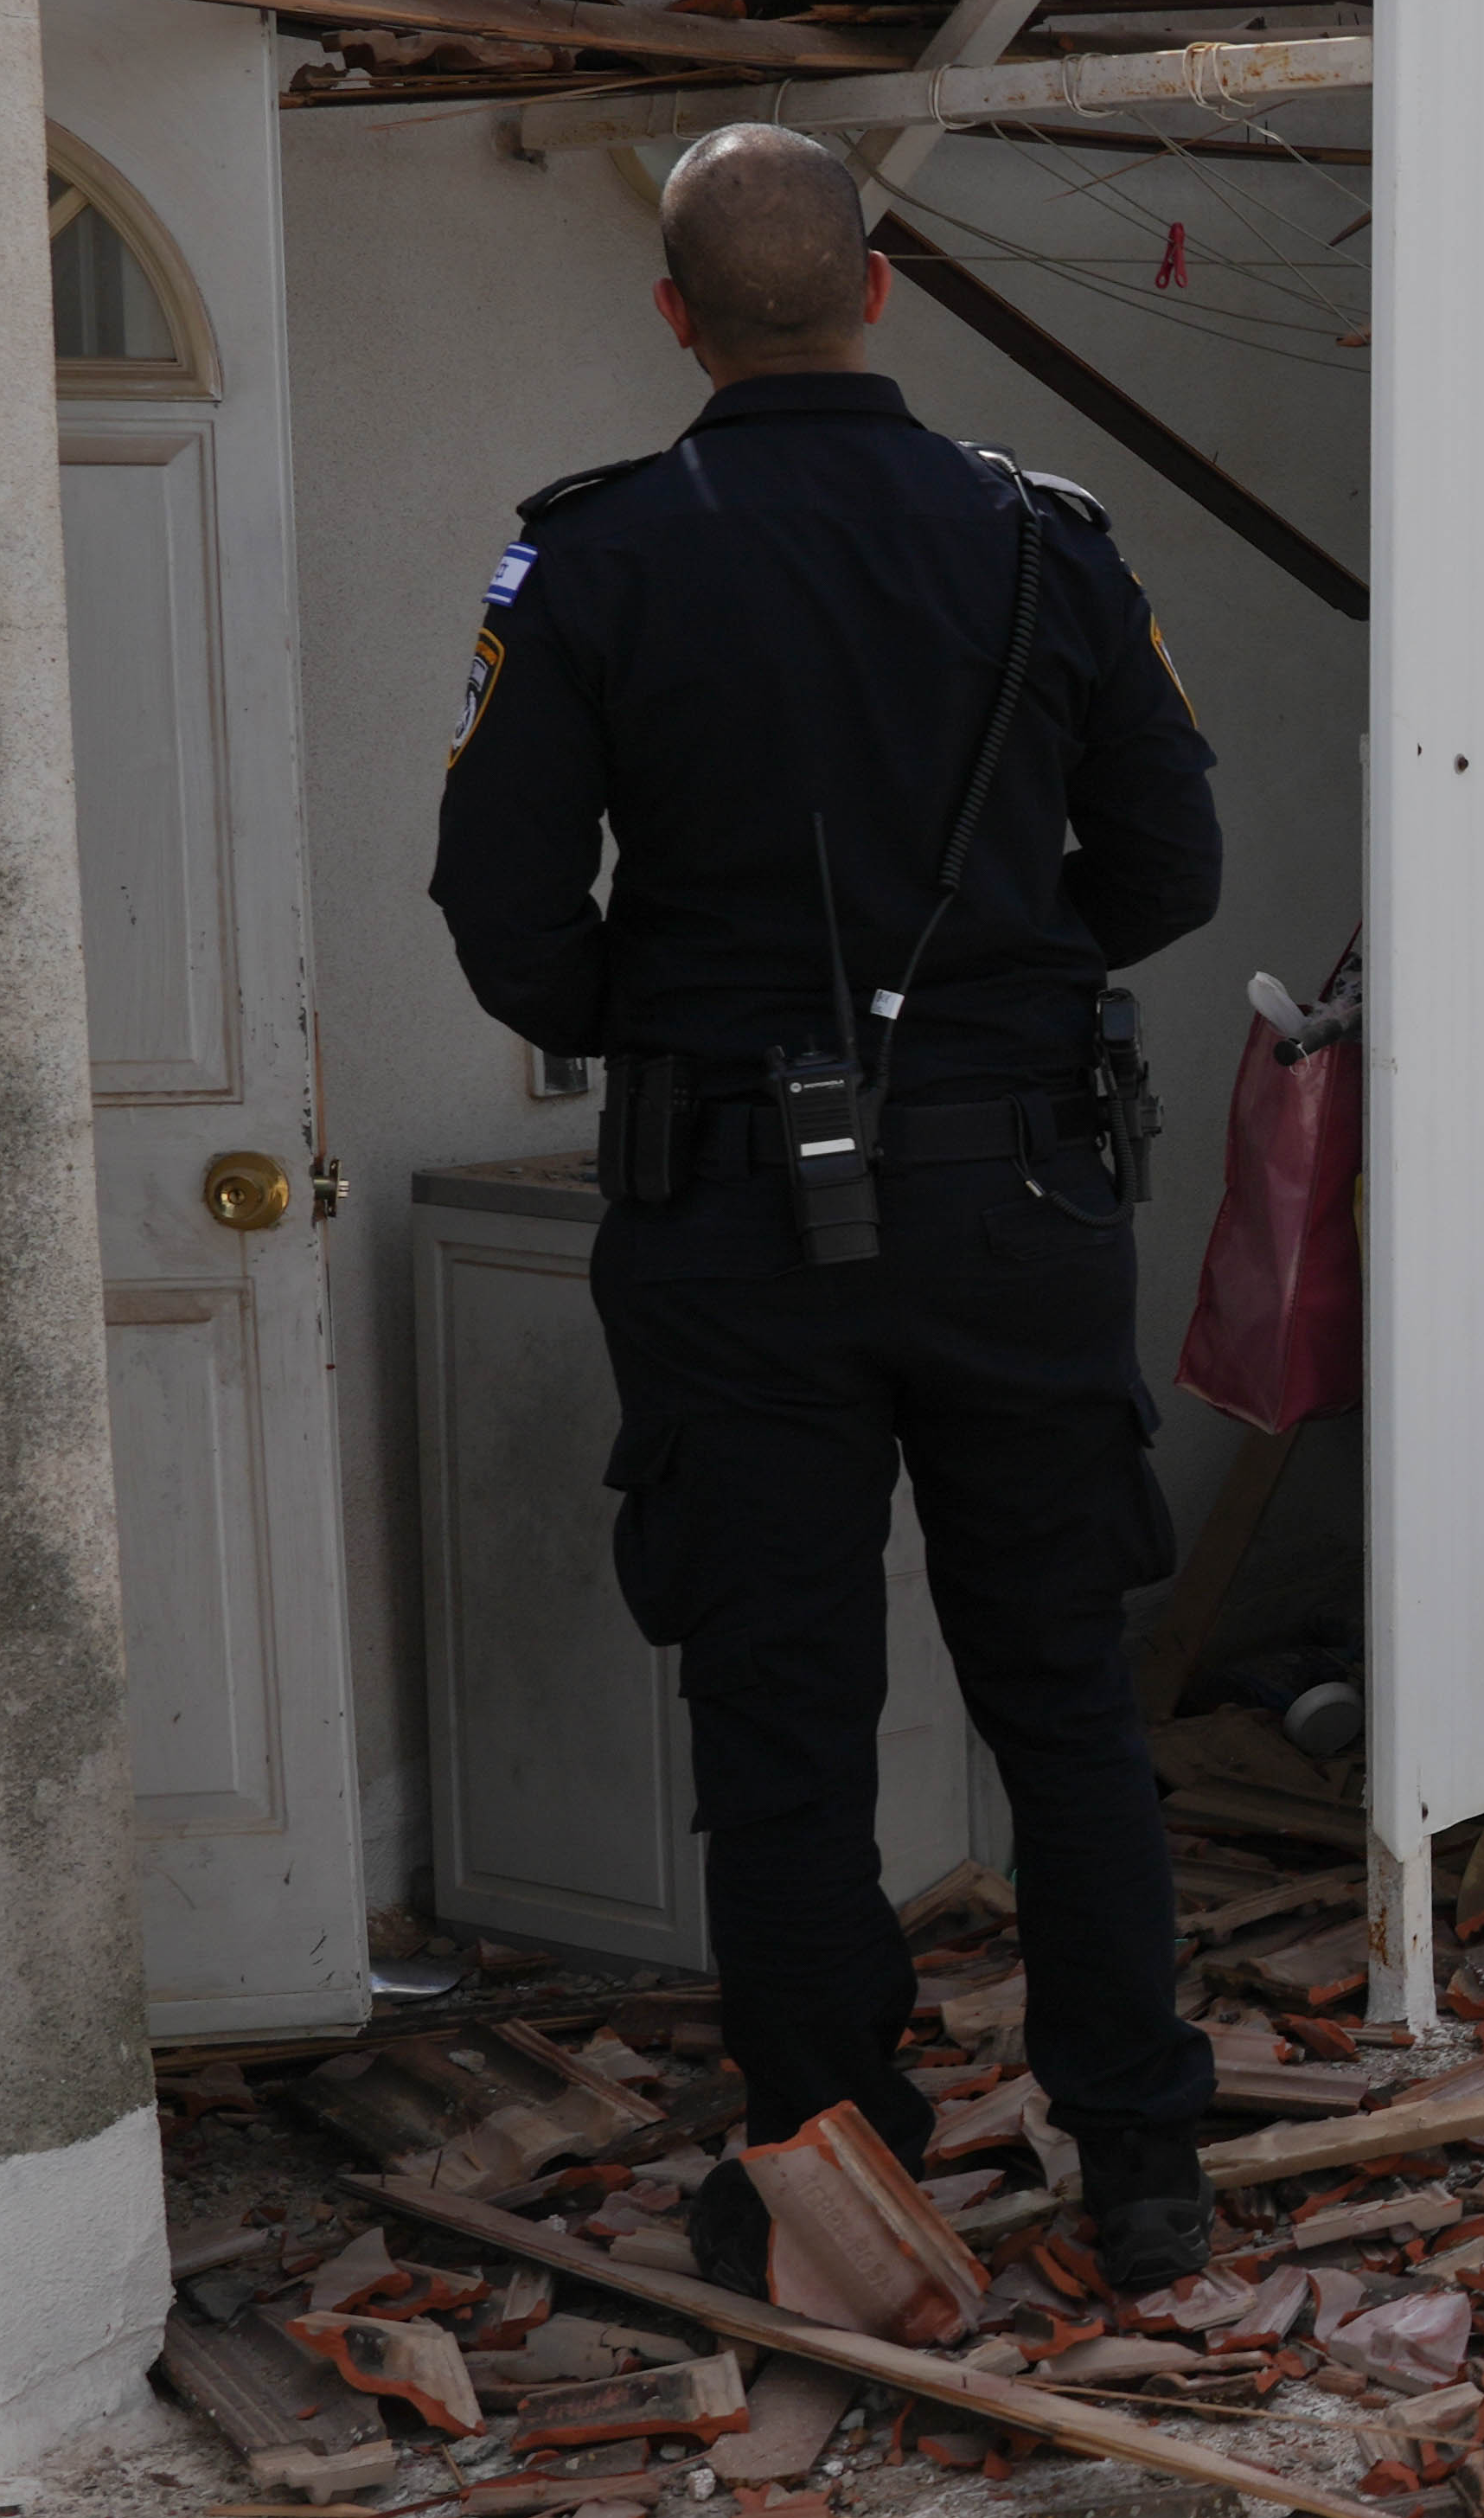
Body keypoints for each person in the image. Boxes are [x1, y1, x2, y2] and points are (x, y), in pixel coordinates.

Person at [428, 124, 1226, 2293]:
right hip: (1020, 1190)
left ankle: (824, 2151)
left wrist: (678, 1024)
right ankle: (1141, 2160)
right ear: (878, 289)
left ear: (673, 314)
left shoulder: (592, 557)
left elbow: (504, 911)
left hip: (726, 1208)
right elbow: (1171, 866)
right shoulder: (1044, 538)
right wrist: (1000, 989)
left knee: (780, 1712)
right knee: (1060, 1685)